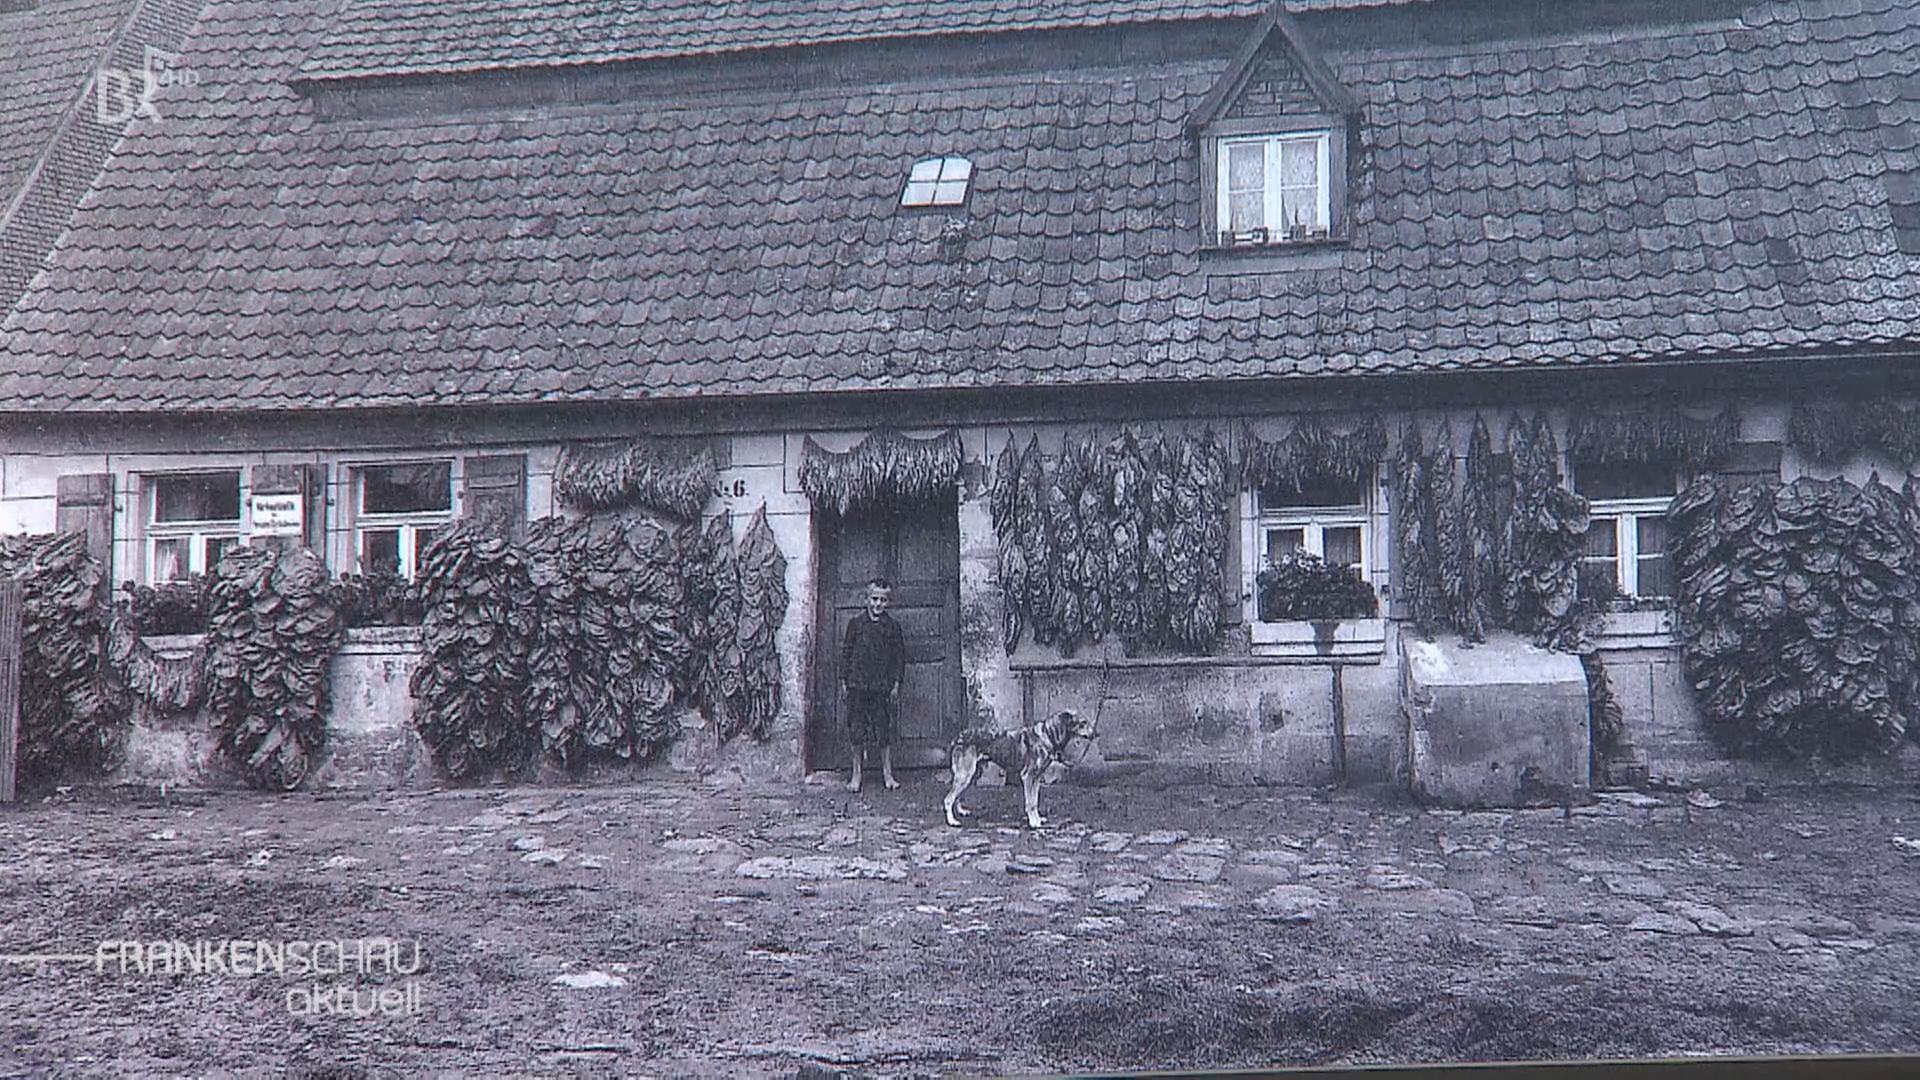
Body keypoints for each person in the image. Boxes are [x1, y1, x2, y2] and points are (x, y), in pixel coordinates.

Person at [842, 577, 906, 792]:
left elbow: (899, 658)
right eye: (874, 599)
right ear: (866, 600)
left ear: (888, 602)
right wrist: (845, 681)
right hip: (858, 685)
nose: (878, 604)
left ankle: (888, 774)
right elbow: (846, 654)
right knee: (857, 730)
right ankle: (856, 774)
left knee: (883, 730)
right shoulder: (856, 625)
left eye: (883, 600)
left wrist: (896, 683)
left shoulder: (892, 627)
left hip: (881, 687)